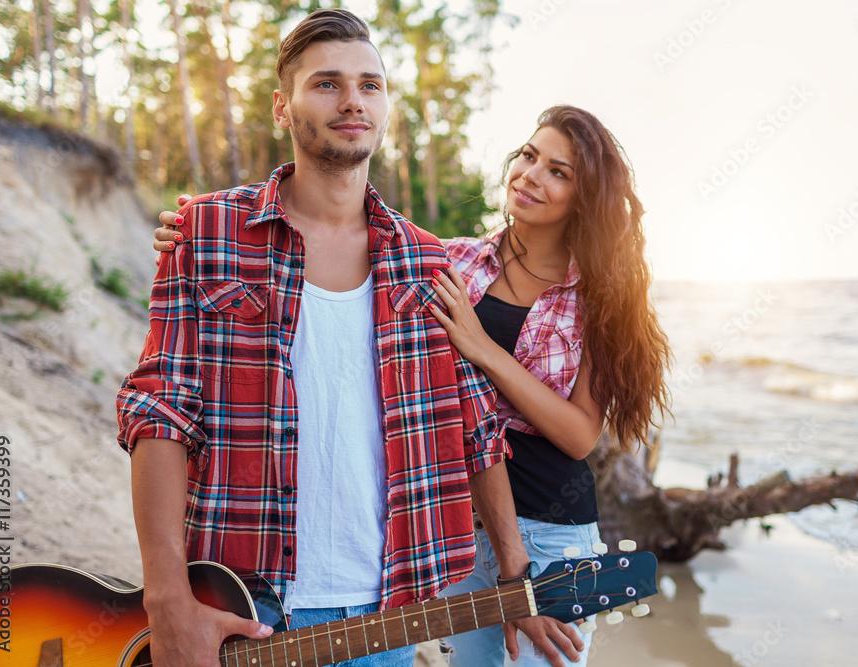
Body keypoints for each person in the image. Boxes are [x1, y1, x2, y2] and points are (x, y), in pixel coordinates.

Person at [118, 9, 583, 667]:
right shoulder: (210, 233)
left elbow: (476, 429)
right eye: (327, 83)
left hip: (383, 615)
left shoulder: (426, 263)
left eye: (370, 85)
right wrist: (165, 599)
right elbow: (160, 413)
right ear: (283, 106)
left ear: (387, 106)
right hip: (241, 600)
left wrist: (514, 572)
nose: (353, 101)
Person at [154, 104, 671, 667]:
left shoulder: (597, 299)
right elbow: (337, 258)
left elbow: (577, 436)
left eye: (559, 171)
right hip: (454, 525)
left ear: (585, 198)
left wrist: (482, 349)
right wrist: (199, 231)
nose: (530, 175)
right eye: (529, 155)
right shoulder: (451, 262)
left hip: (550, 534)